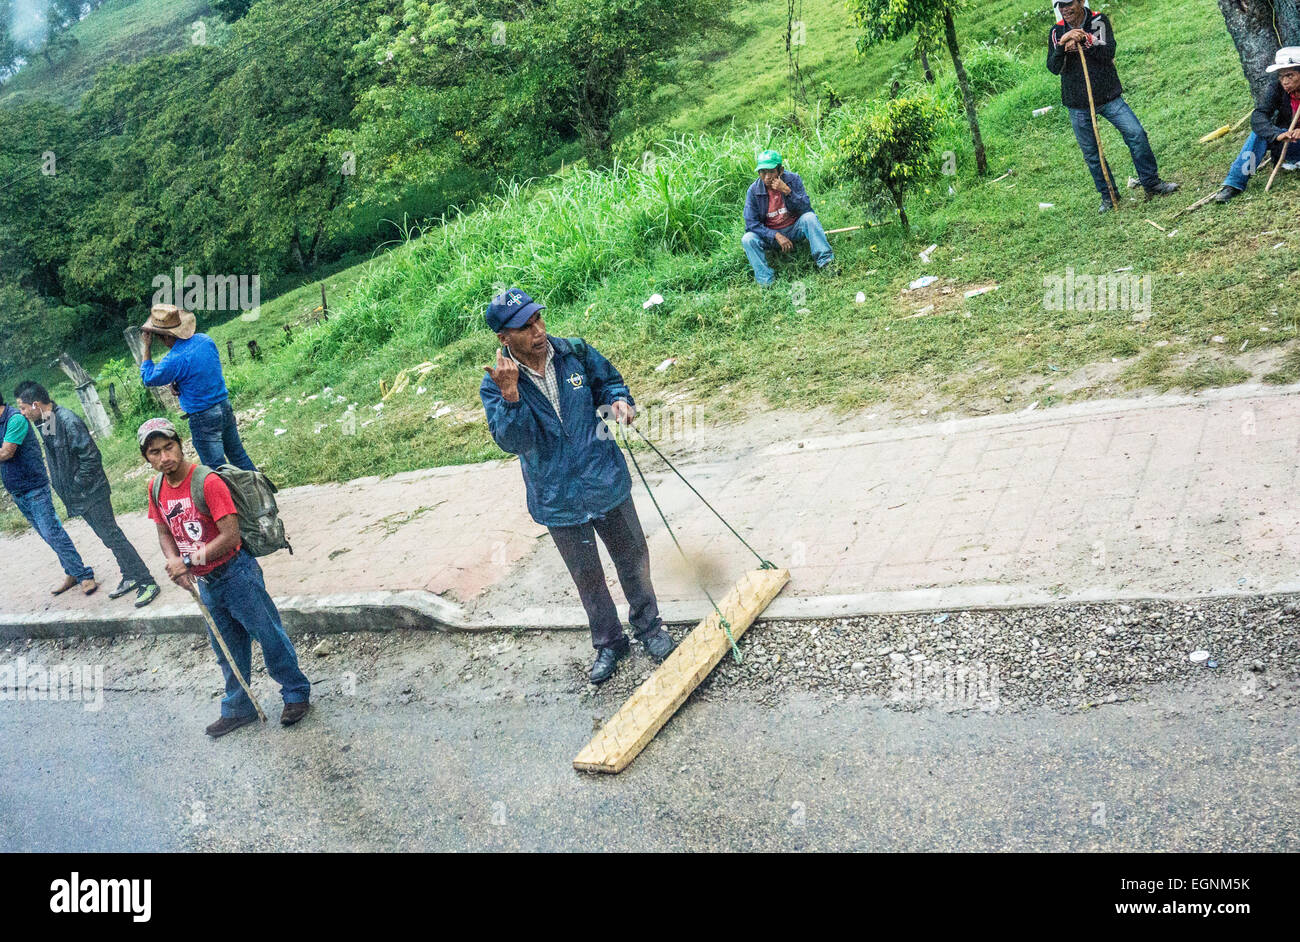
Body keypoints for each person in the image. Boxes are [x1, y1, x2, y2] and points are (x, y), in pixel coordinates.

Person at [479, 288, 676, 684]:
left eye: (538, 319)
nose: (537, 329)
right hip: (558, 496)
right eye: (525, 326)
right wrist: (512, 395)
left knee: (633, 558)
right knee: (587, 576)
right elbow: (514, 442)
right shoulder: (496, 385)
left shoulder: (574, 352)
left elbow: (609, 383)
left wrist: (619, 401)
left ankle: (650, 628)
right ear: (504, 338)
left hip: (603, 477)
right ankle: (609, 642)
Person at [138, 417, 310, 736]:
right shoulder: (156, 487)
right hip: (206, 584)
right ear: (146, 458)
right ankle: (239, 708)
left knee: (268, 634)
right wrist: (174, 559)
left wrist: (188, 560)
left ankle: (296, 693)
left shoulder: (207, 482)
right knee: (226, 647)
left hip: (236, 574)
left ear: (180, 443)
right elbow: (163, 530)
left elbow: (230, 537)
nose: (165, 457)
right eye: (155, 452)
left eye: (169, 447)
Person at [13, 382, 160, 607]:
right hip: (80, 495)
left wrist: (76, 486)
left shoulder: (67, 421)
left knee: (113, 536)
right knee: (108, 537)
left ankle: (146, 581)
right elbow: (58, 457)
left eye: (23, 408)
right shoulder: (48, 420)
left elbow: (91, 458)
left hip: (91, 492)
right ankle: (129, 575)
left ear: (35, 404)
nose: (22, 413)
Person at [1047, 0, 1179, 212]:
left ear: (1081, 1)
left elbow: (1108, 53)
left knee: (1136, 134)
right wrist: (1062, 45)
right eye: (1060, 6)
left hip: (1109, 96)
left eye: (1069, 4)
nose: (1065, 9)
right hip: (1078, 103)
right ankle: (1109, 197)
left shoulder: (1099, 20)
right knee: (1091, 153)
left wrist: (1087, 40)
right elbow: (1053, 68)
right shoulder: (1056, 32)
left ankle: (1152, 184)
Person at [0, 390, 98, 596]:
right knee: (47, 535)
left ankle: (84, 575)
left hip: (34, 487)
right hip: (18, 490)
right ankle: (72, 571)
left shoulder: (15, 419)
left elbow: (7, 452)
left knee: (52, 533)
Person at [138, 304, 257, 471]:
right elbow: (203, 371)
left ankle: (227, 497)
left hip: (203, 416)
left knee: (217, 468)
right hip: (224, 405)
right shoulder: (205, 340)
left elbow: (148, 378)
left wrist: (146, 348)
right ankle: (262, 493)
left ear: (164, 337)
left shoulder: (174, 359)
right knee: (238, 455)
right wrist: (179, 381)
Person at [1215, 47, 1300, 202]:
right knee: (1259, 134)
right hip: (1290, 143)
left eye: (1290, 75)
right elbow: (1259, 115)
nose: (1285, 81)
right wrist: (1276, 134)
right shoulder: (1277, 88)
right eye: (1281, 77)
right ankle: (1235, 183)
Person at [742, 150, 837, 285]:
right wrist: (775, 235)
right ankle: (766, 282)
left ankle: (827, 263)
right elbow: (751, 224)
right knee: (748, 239)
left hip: (794, 229)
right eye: (762, 172)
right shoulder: (753, 191)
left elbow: (806, 208)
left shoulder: (793, 180)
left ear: (780, 171)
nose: (767, 177)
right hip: (771, 237)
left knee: (809, 218)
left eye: (771, 171)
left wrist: (787, 191)